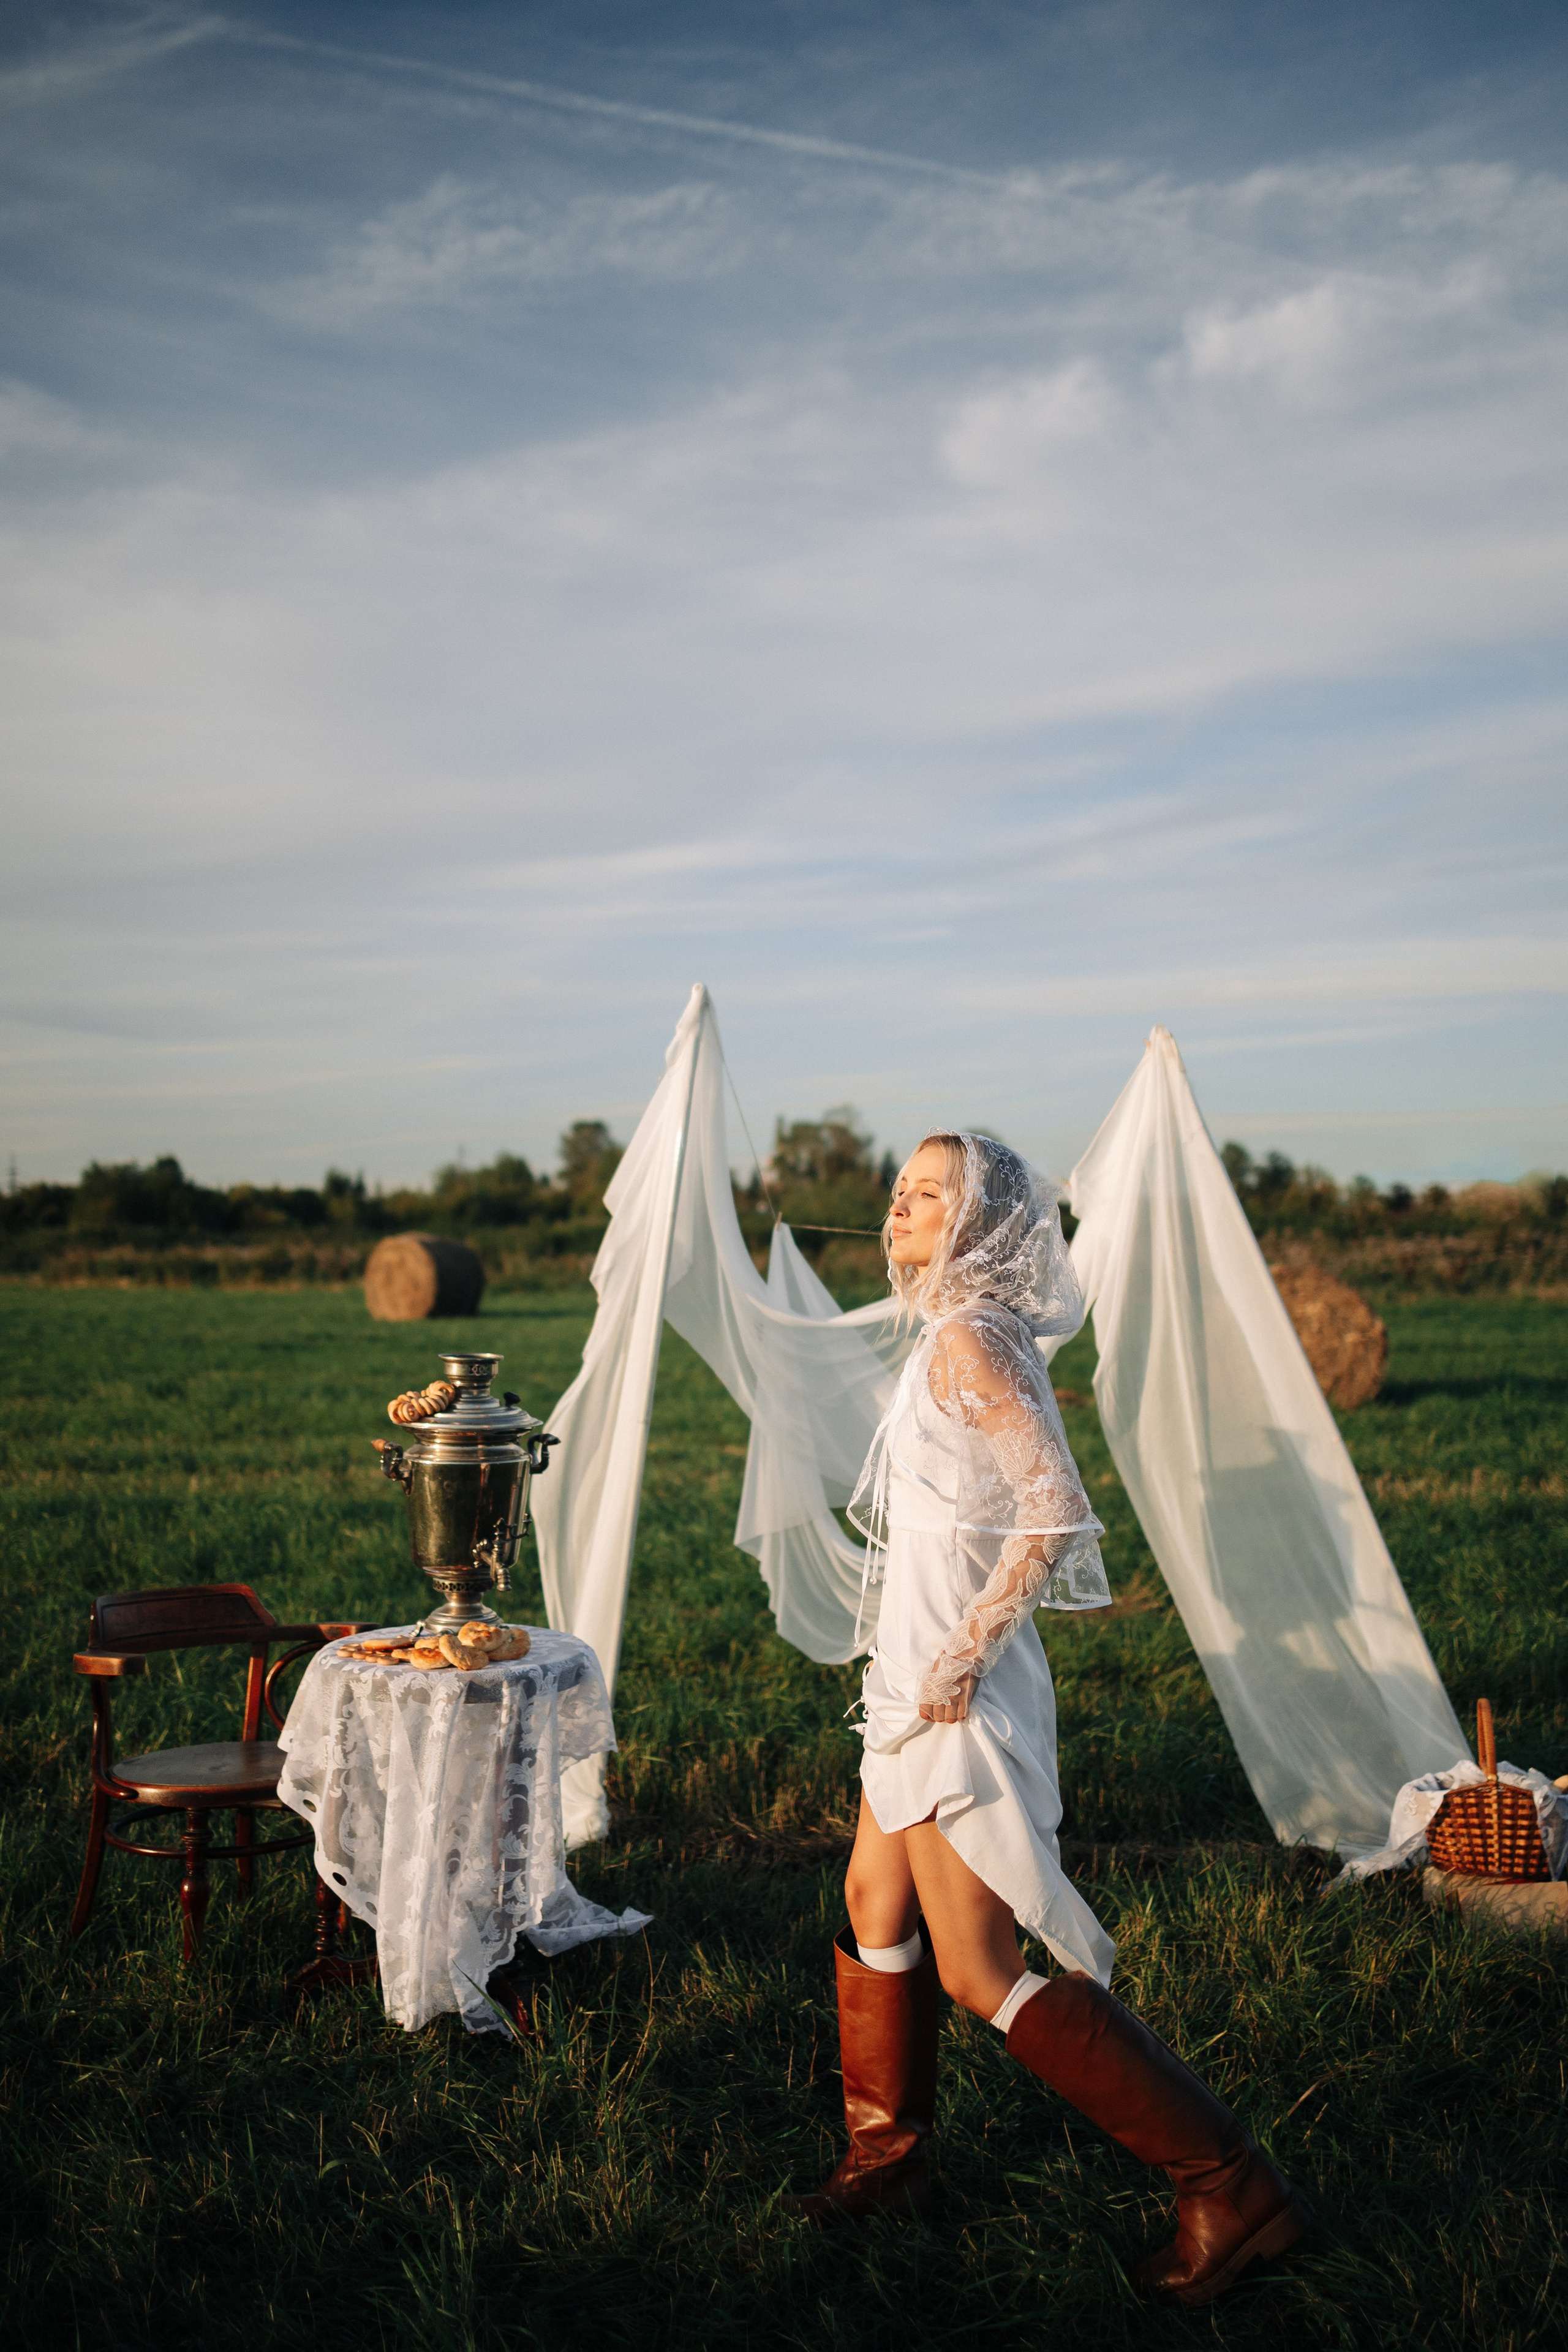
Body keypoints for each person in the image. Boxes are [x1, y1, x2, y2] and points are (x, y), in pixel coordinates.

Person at [788, 1131, 1308, 2307]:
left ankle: (1229, 2182)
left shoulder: (972, 1338)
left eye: (929, 1194)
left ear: (980, 1220)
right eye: (898, 1192)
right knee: (877, 1900)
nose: (898, 1209)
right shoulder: (951, 1332)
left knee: (980, 1969)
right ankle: (892, 2160)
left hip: (949, 1689)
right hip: (907, 1679)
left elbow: (1055, 1511)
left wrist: (965, 1653)